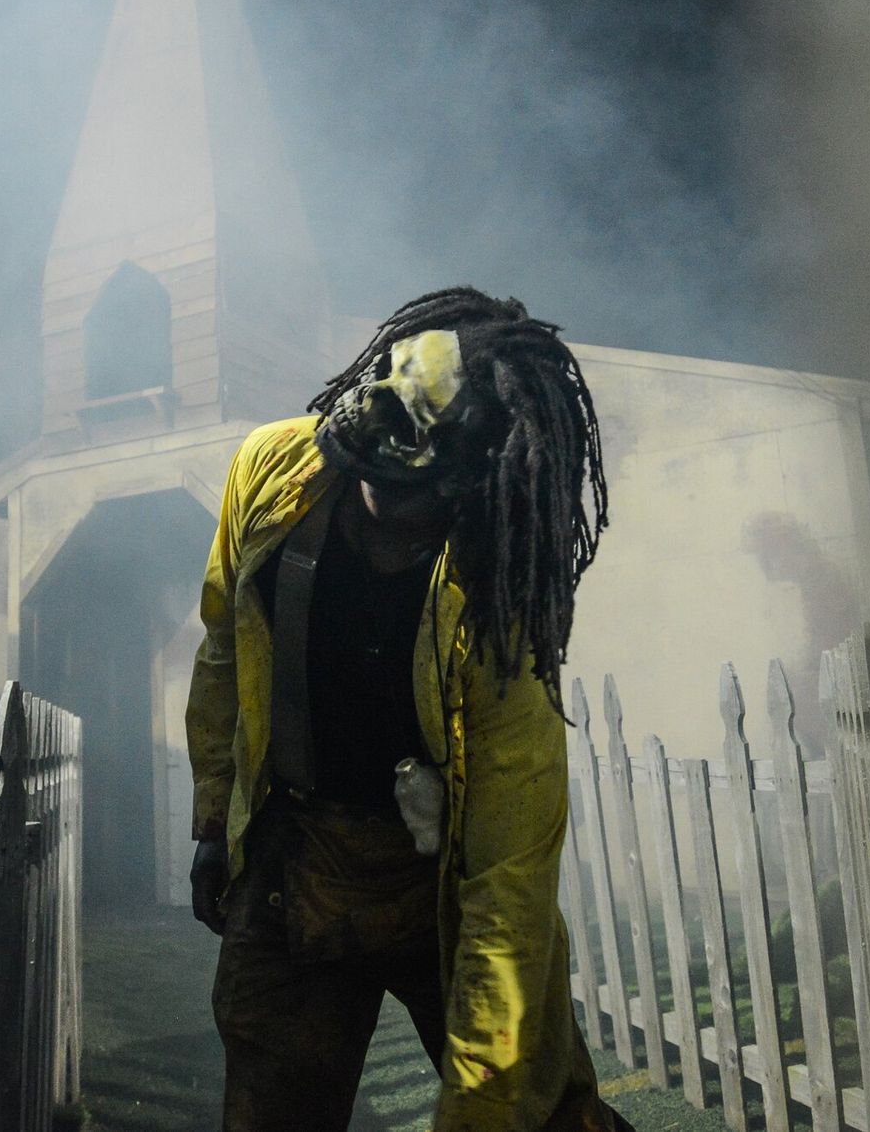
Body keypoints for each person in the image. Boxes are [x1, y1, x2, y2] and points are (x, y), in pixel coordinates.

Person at [186, 286, 634, 1132]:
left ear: (472, 491)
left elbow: (507, 891)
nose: (382, 515)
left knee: (541, 1116)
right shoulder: (274, 475)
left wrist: (481, 1111)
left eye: (415, 498)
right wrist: (216, 820)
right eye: (370, 480)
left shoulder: (501, 619)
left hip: (445, 885)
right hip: (295, 872)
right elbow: (224, 649)